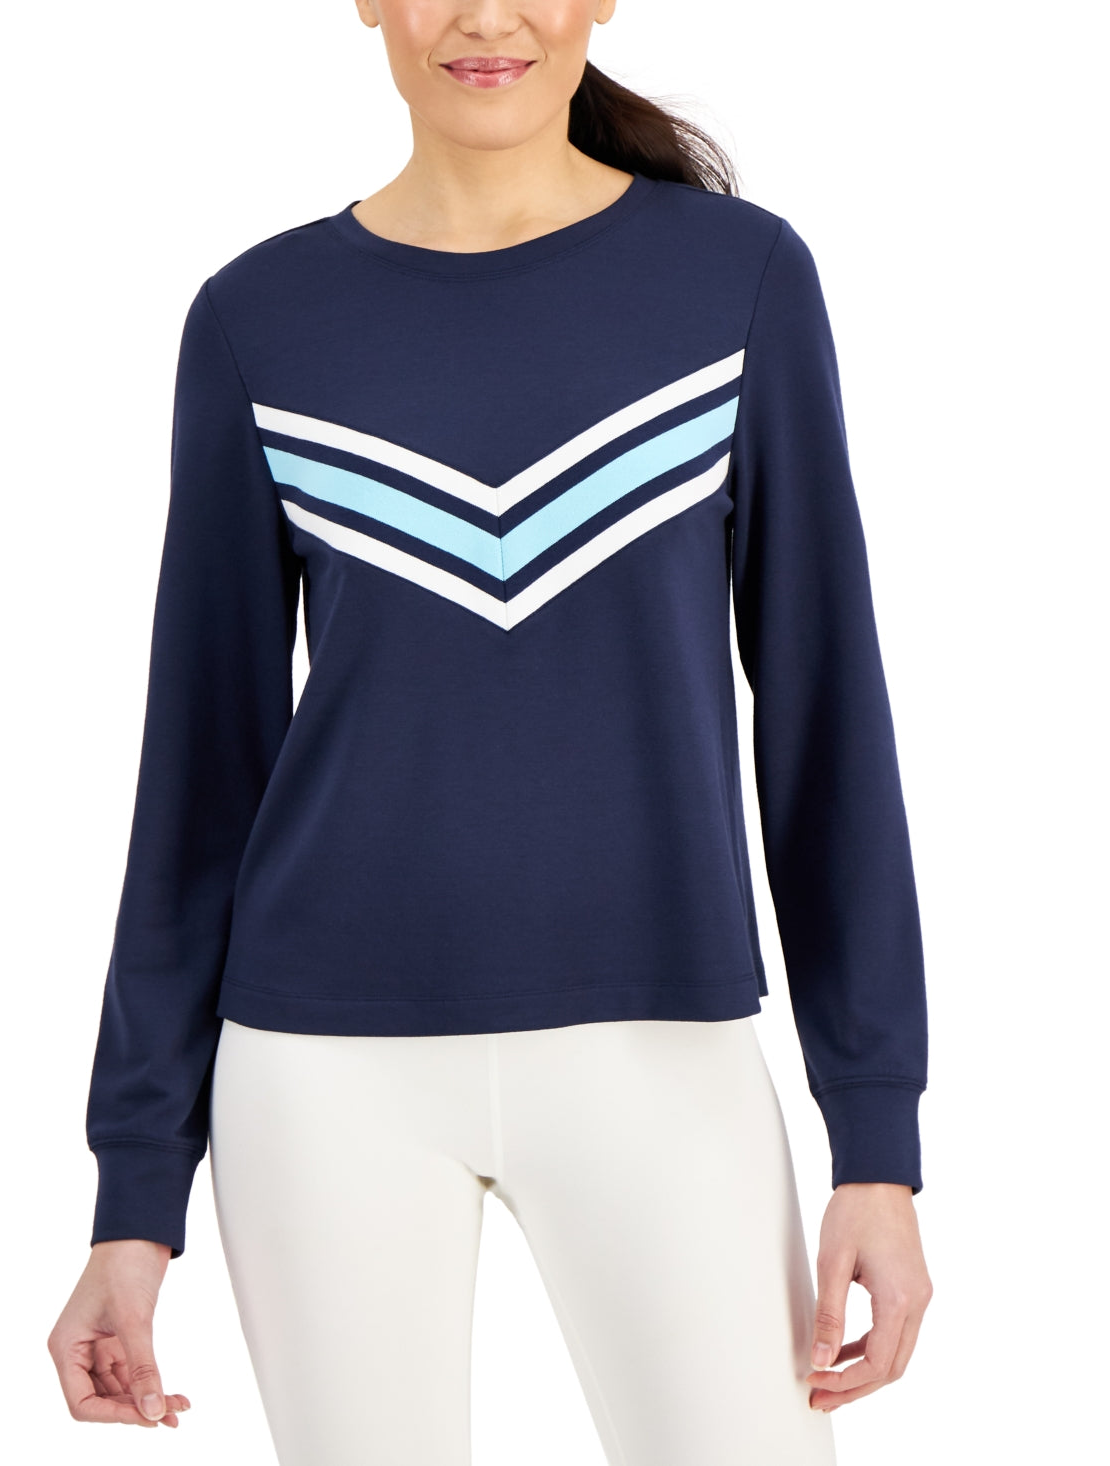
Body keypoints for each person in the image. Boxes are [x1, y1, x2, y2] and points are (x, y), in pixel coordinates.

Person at [47, 2, 933, 1460]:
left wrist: (878, 1144)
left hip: (661, 1050)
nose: (483, 15)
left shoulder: (738, 280)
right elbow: (199, 771)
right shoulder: (259, 317)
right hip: (320, 1075)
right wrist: (133, 1197)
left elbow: (827, 721)